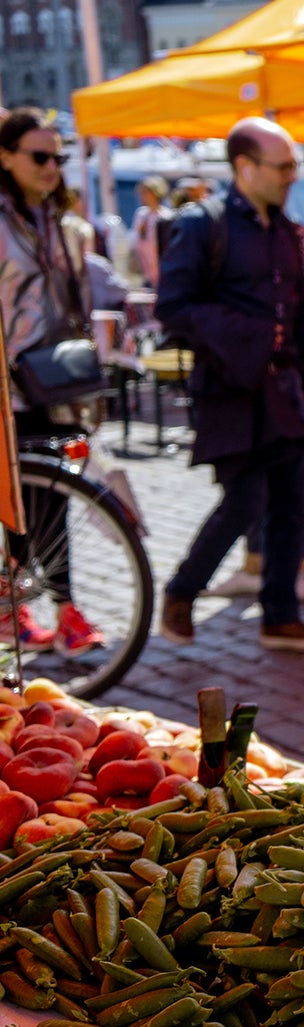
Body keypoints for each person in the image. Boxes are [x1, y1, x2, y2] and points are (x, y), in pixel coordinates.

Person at [155, 117, 304, 653]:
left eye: (293, 166)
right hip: (231, 390)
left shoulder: (286, 230)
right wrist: (249, 336)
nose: (291, 175)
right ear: (245, 167)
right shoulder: (202, 224)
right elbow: (171, 306)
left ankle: (279, 616)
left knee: (292, 501)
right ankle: (181, 590)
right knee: (245, 501)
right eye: (282, 166)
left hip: (286, 390)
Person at [0, 107, 107, 656]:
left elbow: (77, 306)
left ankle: (62, 610)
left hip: (56, 381)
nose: (51, 167)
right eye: (39, 157)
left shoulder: (65, 224)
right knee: (16, 502)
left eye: (58, 158)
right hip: (7, 388)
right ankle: (18, 608)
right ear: (6, 157)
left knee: (55, 497)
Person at [204, 216, 304, 605]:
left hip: (300, 371)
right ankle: (255, 564)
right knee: (259, 470)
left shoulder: (296, 237)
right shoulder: (232, 237)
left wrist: (276, 325)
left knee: (303, 471)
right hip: (257, 376)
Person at [131, 175, 172, 286]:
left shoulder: (166, 216)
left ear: (155, 193)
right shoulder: (141, 214)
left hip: (162, 267)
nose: (142, 196)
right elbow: (135, 240)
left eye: (146, 192)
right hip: (145, 267)